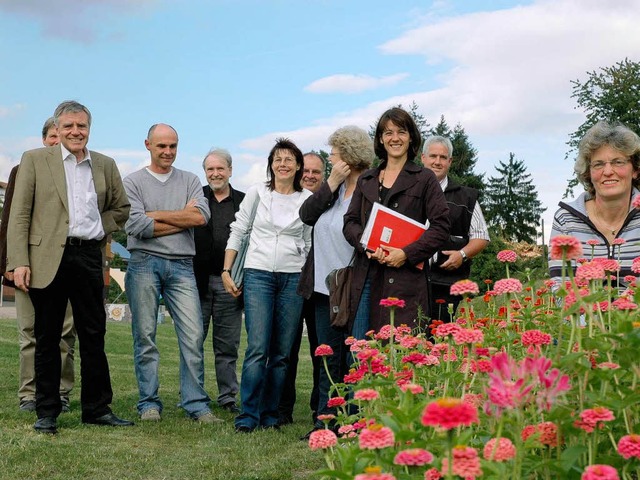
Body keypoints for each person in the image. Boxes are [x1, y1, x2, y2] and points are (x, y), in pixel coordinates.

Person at [7, 100, 133, 434]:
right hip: (47, 257)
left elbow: (122, 207)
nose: (75, 132)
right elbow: (19, 213)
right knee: (47, 336)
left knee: (94, 334)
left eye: (81, 126)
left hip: (89, 255)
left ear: (89, 129)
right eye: (68, 126)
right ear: (58, 129)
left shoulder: (104, 164)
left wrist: (98, 225)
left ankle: (97, 408)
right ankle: (46, 410)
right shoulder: (35, 160)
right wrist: (18, 260)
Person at [124, 124, 218, 424]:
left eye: (173, 146)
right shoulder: (132, 182)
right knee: (145, 336)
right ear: (148, 144)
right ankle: (149, 402)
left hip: (182, 265)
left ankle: (196, 404)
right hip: (143, 263)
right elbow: (136, 225)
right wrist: (182, 217)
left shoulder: (190, 180)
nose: (168, 152)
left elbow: (201, 217)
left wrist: (154, 215)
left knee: (193, 335)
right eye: (162, 146)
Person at [223, 138, 312, 433]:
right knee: (258, 348)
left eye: (289, 159)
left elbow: (310, 243)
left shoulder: (307, 200)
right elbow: (238, 230)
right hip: (258, 273)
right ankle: (248, 414)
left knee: (282, 352)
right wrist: (226, 269)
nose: (283, 164)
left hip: (292, 277)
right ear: (271, 165)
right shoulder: (257, 194)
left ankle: (271, 415)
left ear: (298, 166)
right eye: (278, 159)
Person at [343, 107, 450, 332]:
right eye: (388, 132)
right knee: (362, 355)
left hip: (406, 281)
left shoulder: (425, 179)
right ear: (381, 139)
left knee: (402, 354)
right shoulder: (367, 179)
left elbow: (441, 227)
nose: (395, 138)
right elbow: (350, 222)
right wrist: (367, 244)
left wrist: (407, 254)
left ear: (411, 137)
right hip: (367, 279)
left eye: (401, 132)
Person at [298, 126, 375, 437]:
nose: (331, 158)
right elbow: (306, 214)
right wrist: (330, 181)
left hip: (354, 284)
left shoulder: (370, 187)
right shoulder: (333, 189)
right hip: (323, 286)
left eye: (334, 153)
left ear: (350, 155)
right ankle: (325, 420)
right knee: (327, 356)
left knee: (352, 355)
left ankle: (354, 421)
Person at [0, 118, 76, 413]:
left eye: (63, 136)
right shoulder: (25, 168)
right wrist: (11, 261)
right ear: (45, 139)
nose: (58, 141)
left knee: (65, 333)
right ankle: (28, 394)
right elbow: (11, 219)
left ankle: (62, 391)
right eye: (53, 136)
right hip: (28, 264)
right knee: (29, 332)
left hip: (66, 265)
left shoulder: (78, 172)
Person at [549, 121, 640, 285]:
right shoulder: (566, 219)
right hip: (583, 310)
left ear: (635, 170)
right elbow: (561, 286)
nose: (607, 171)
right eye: (598, 164)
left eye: (618, 162)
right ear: (588, 173)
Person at [193, 148, 245, 414]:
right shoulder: (194, 197)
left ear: (230, 170)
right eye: (210, 169)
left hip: (230, 284)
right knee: (193, 343)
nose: (215, 174)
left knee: (227, 346)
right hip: (196, 282)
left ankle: (227, 397)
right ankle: (194, 396)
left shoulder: (244, 202)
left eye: (220, 168)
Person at [421, 135, 490, 321]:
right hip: (410, 282)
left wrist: (462, 255)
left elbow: (481, 236)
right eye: (433, 156)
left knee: (441, 340)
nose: (437, 162)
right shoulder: (407, 192)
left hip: (445, 284)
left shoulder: (466, 197)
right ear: (423, 158)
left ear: (450, 162)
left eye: (443, 158)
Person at [278, 152, 324, 426]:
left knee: (321, 349)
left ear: (324, 175)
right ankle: (282, 409)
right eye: (305, 170)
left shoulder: (330, 203)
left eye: (316, 172)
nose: (309, 176)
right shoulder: (289, 201)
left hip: (320, 288)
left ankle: (321, 407)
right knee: (286, 349)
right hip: (292, 285)